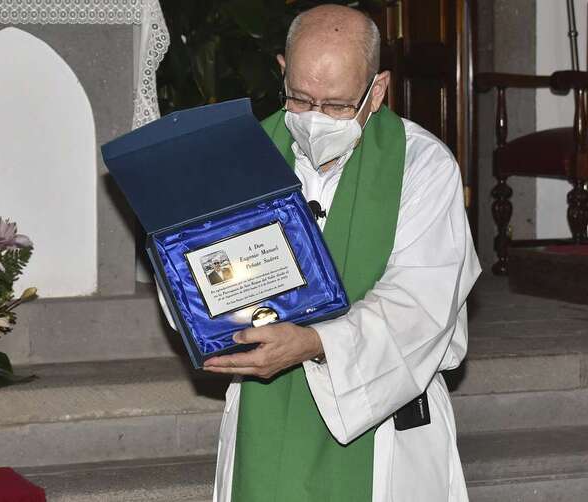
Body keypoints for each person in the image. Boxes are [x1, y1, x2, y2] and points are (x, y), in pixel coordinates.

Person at [170, 4, 480, 501]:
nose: (315, 119)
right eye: (299, 98)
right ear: (281, 71)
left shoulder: (422, 165)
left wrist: (317, 342)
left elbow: (422, 300)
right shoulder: (237, 157)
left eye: (336, 106)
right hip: (262, 411)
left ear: (376, 90)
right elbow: (193, 273)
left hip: (382, 422)